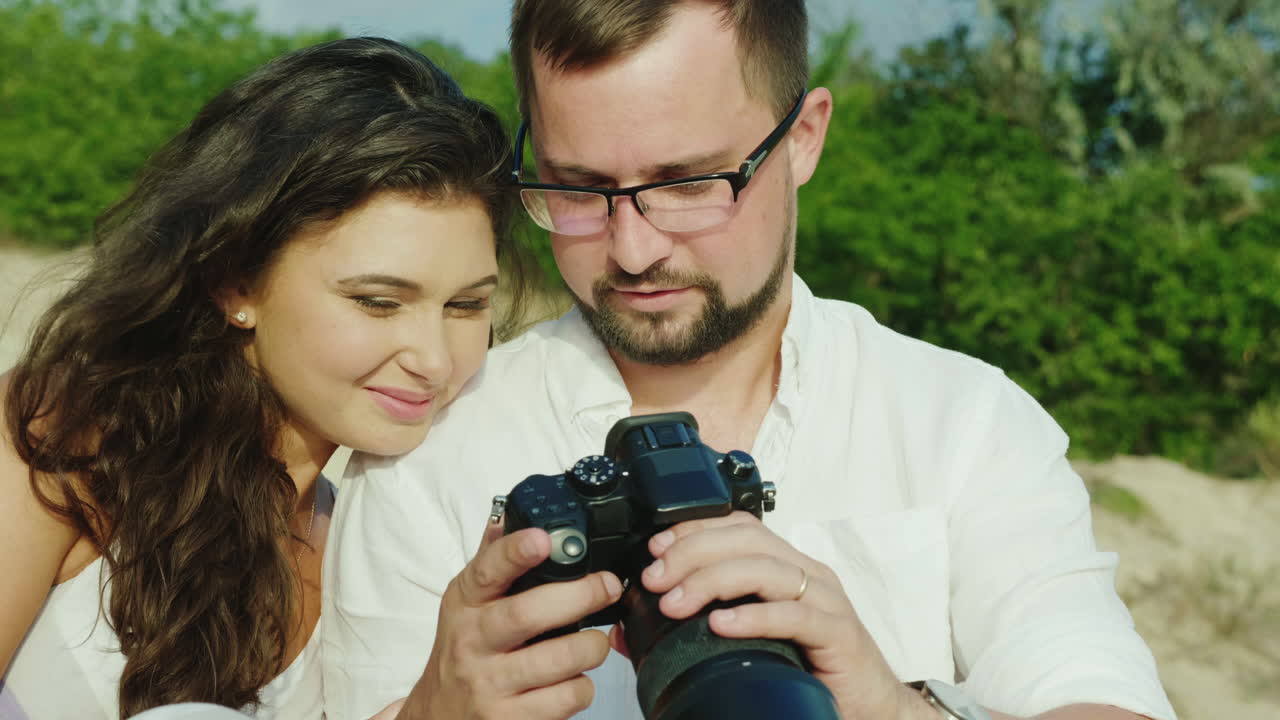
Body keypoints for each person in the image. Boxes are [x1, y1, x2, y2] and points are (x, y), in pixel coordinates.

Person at [323, 2, 1178, 720]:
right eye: (579, 189)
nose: (633, 249)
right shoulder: (434, 449)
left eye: (687, 183)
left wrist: (886, 704)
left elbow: (1100, 699)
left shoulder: (964, 422)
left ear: (803, 137)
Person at [0, 36, 530, 719]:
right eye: (377, 301)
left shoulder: (370, 540)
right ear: (236, 282)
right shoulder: (58, 438)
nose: (433, 359)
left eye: (466, 306)